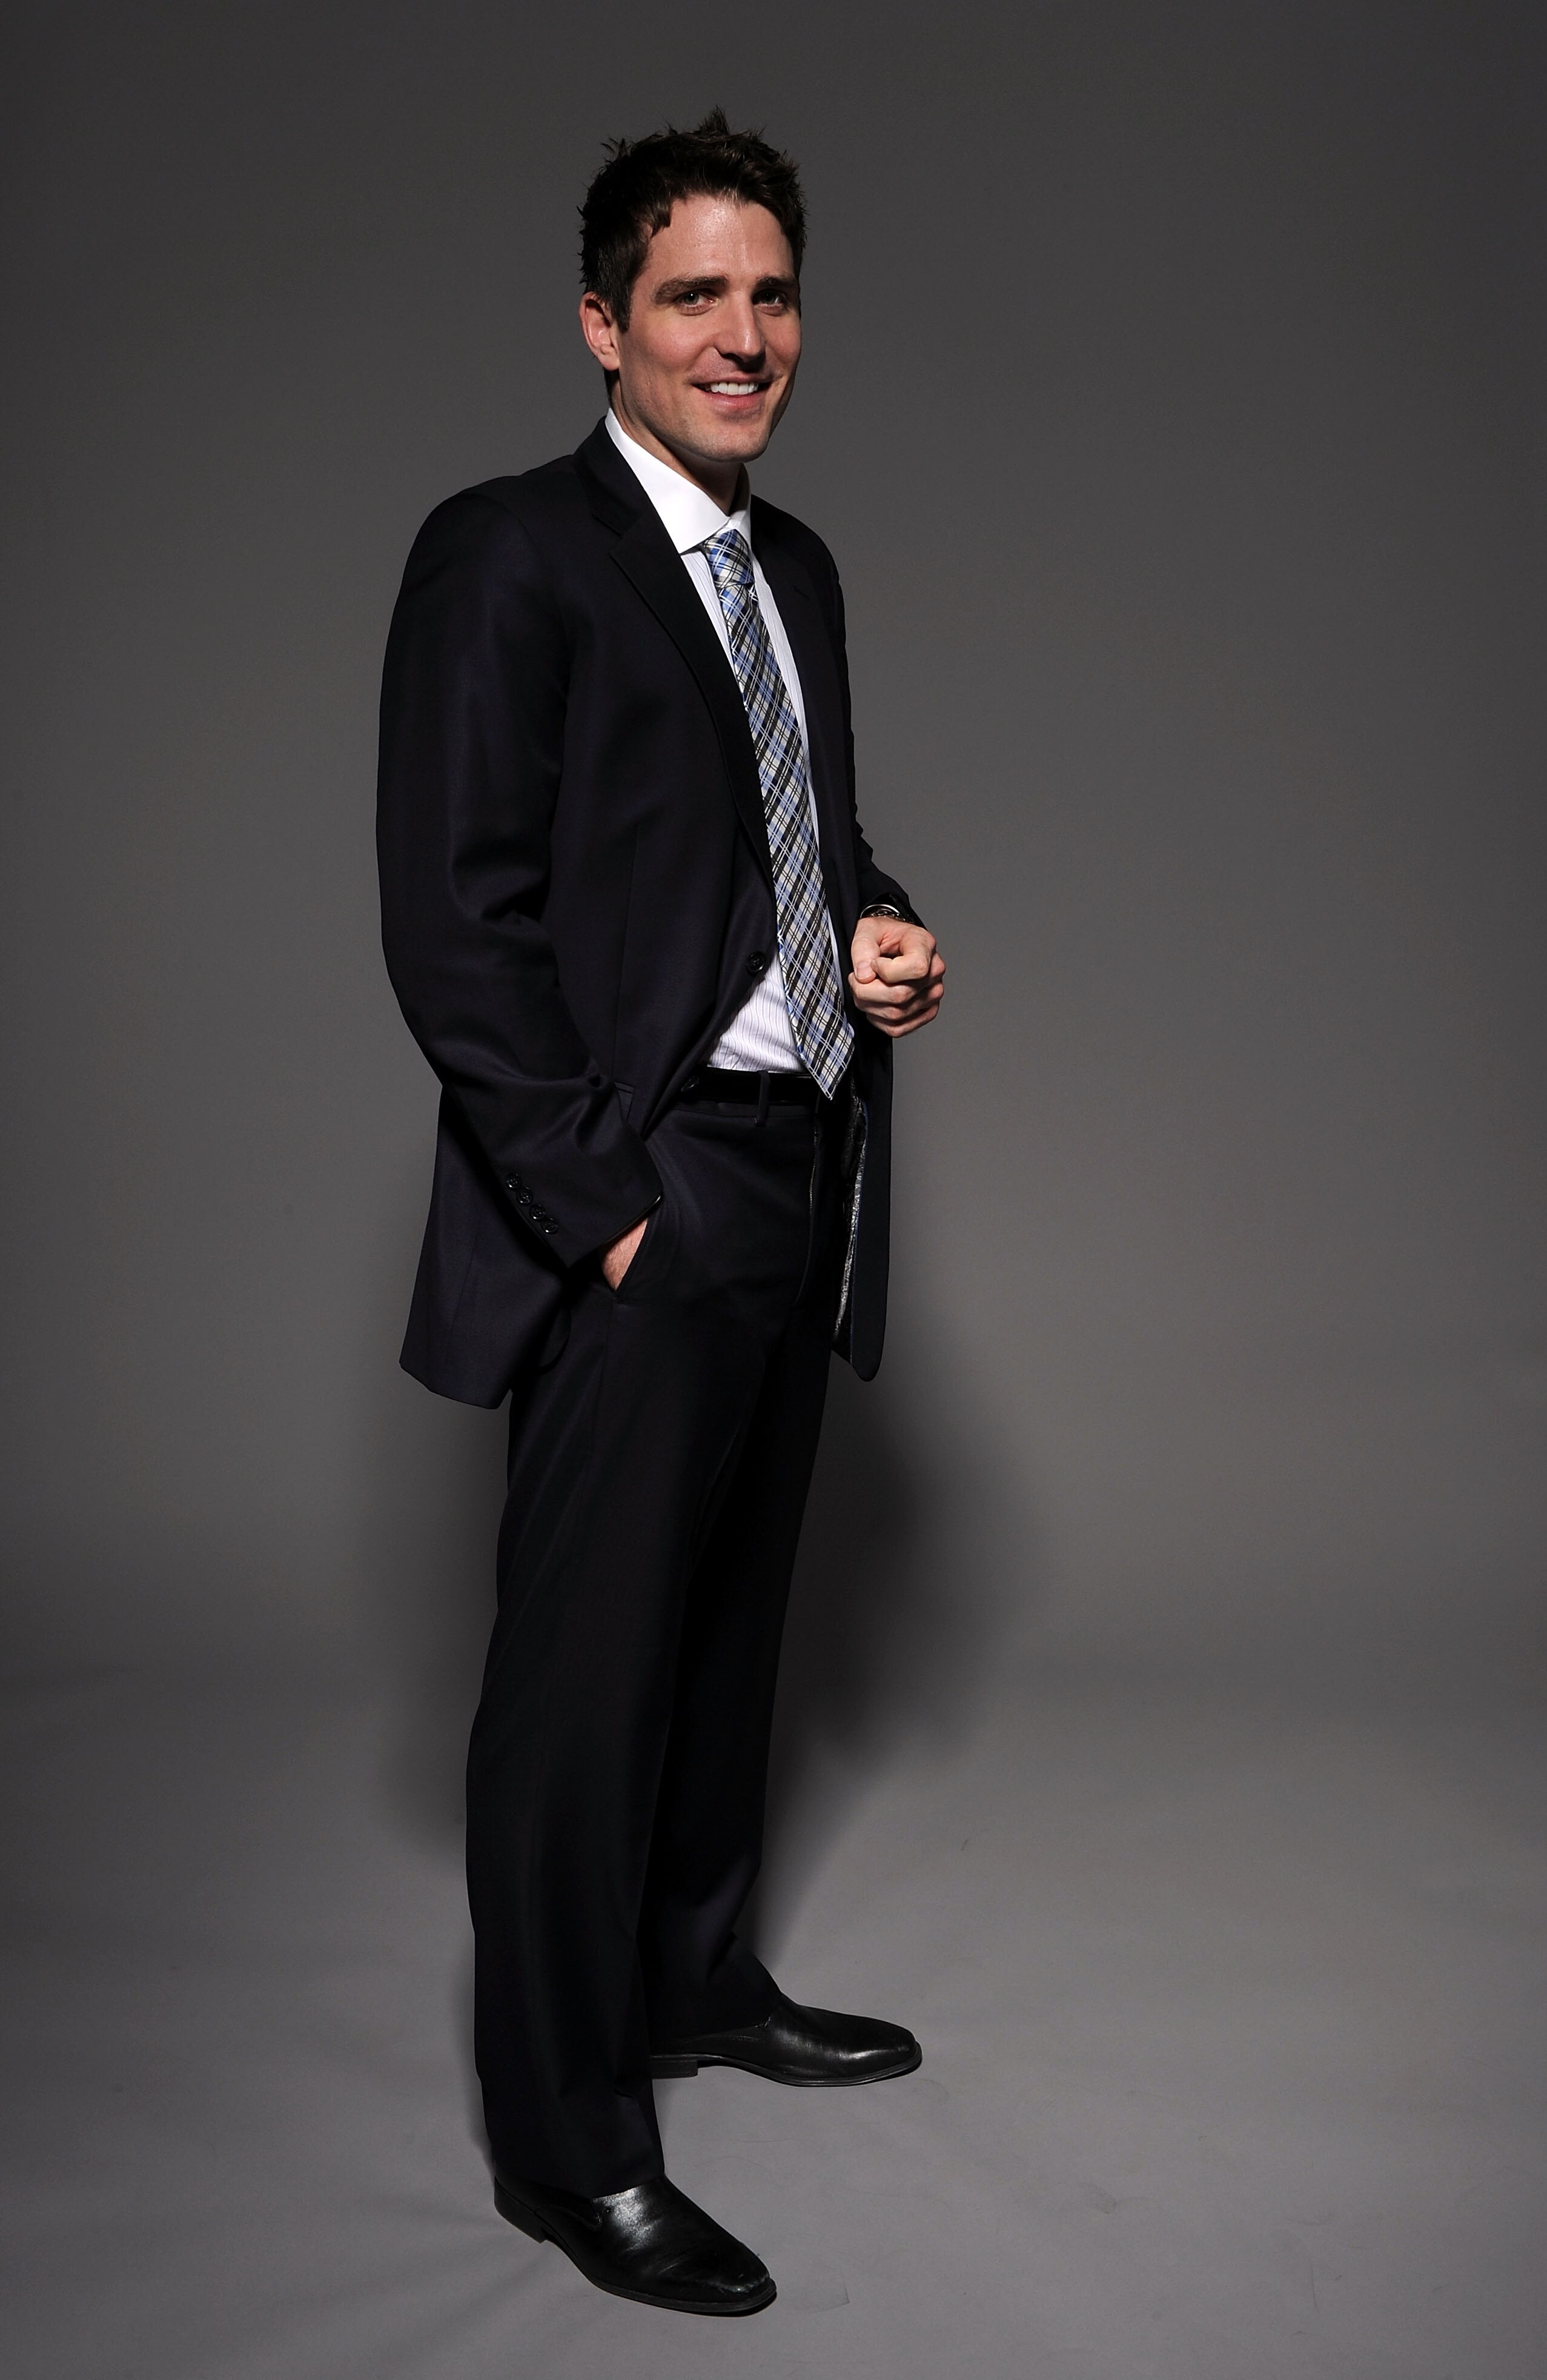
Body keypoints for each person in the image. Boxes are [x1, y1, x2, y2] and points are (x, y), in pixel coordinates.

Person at [376, 110, 945, 2318]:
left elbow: (798, 835)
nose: (743, 333)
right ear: (603, 324)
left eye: (772, 292)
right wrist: (604, 1214)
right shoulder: (507, 553)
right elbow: (456, 923)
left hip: (801, 1163)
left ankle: (697, 1978)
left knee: (726, 1630)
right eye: (694, 293)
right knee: (581, 1688)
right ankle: (567, 2143)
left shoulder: (798, 570)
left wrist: (875, 929)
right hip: (640, 1192)